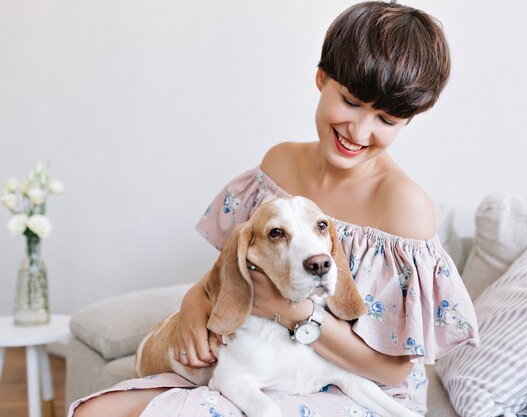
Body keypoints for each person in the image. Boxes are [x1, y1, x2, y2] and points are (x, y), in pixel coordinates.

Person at [70, 1, 479, 416]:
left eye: (386, 121)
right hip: (266, 360)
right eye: (351, 101)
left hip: (354, 385)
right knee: (96, 411)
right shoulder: (279, 165)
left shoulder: (405, 207)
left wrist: (293, 313)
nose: (359, 131)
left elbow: (392, 372)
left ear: (408, 121)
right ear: (321, 79)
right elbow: (236, 264)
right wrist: (196, 300)